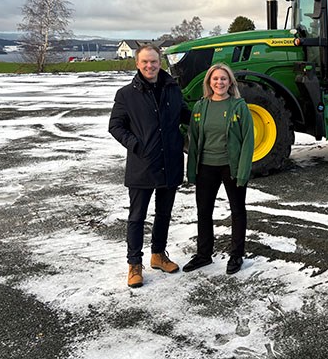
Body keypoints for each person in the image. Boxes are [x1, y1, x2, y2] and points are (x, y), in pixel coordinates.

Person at [108, 44, 191, 288]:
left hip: (170, 162)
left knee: (164, 213)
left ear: (160, 62)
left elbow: (185, 115)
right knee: (137, 216)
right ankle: (134, 264)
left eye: (153, 61)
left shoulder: (172, 89)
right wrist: (136, 145)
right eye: (144, 62)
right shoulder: (126, 94)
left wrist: (212, 111)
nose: (149, 66)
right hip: (142, 164)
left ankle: (158, 255)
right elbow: (115, 126)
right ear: (137, 64)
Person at [183, 63, 254, 275]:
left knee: (237, 210)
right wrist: (192, 169)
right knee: (204, 211)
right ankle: (204, 255)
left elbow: (248, 140)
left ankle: (236, 255)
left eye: (223, 78)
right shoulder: (200, 107)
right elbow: (193, 140)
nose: (219, 82)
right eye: (215, 79)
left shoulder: (239, 106)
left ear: (230, 82)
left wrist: (243, 171)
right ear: (209, 82)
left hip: (230, 166)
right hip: (206, 166)